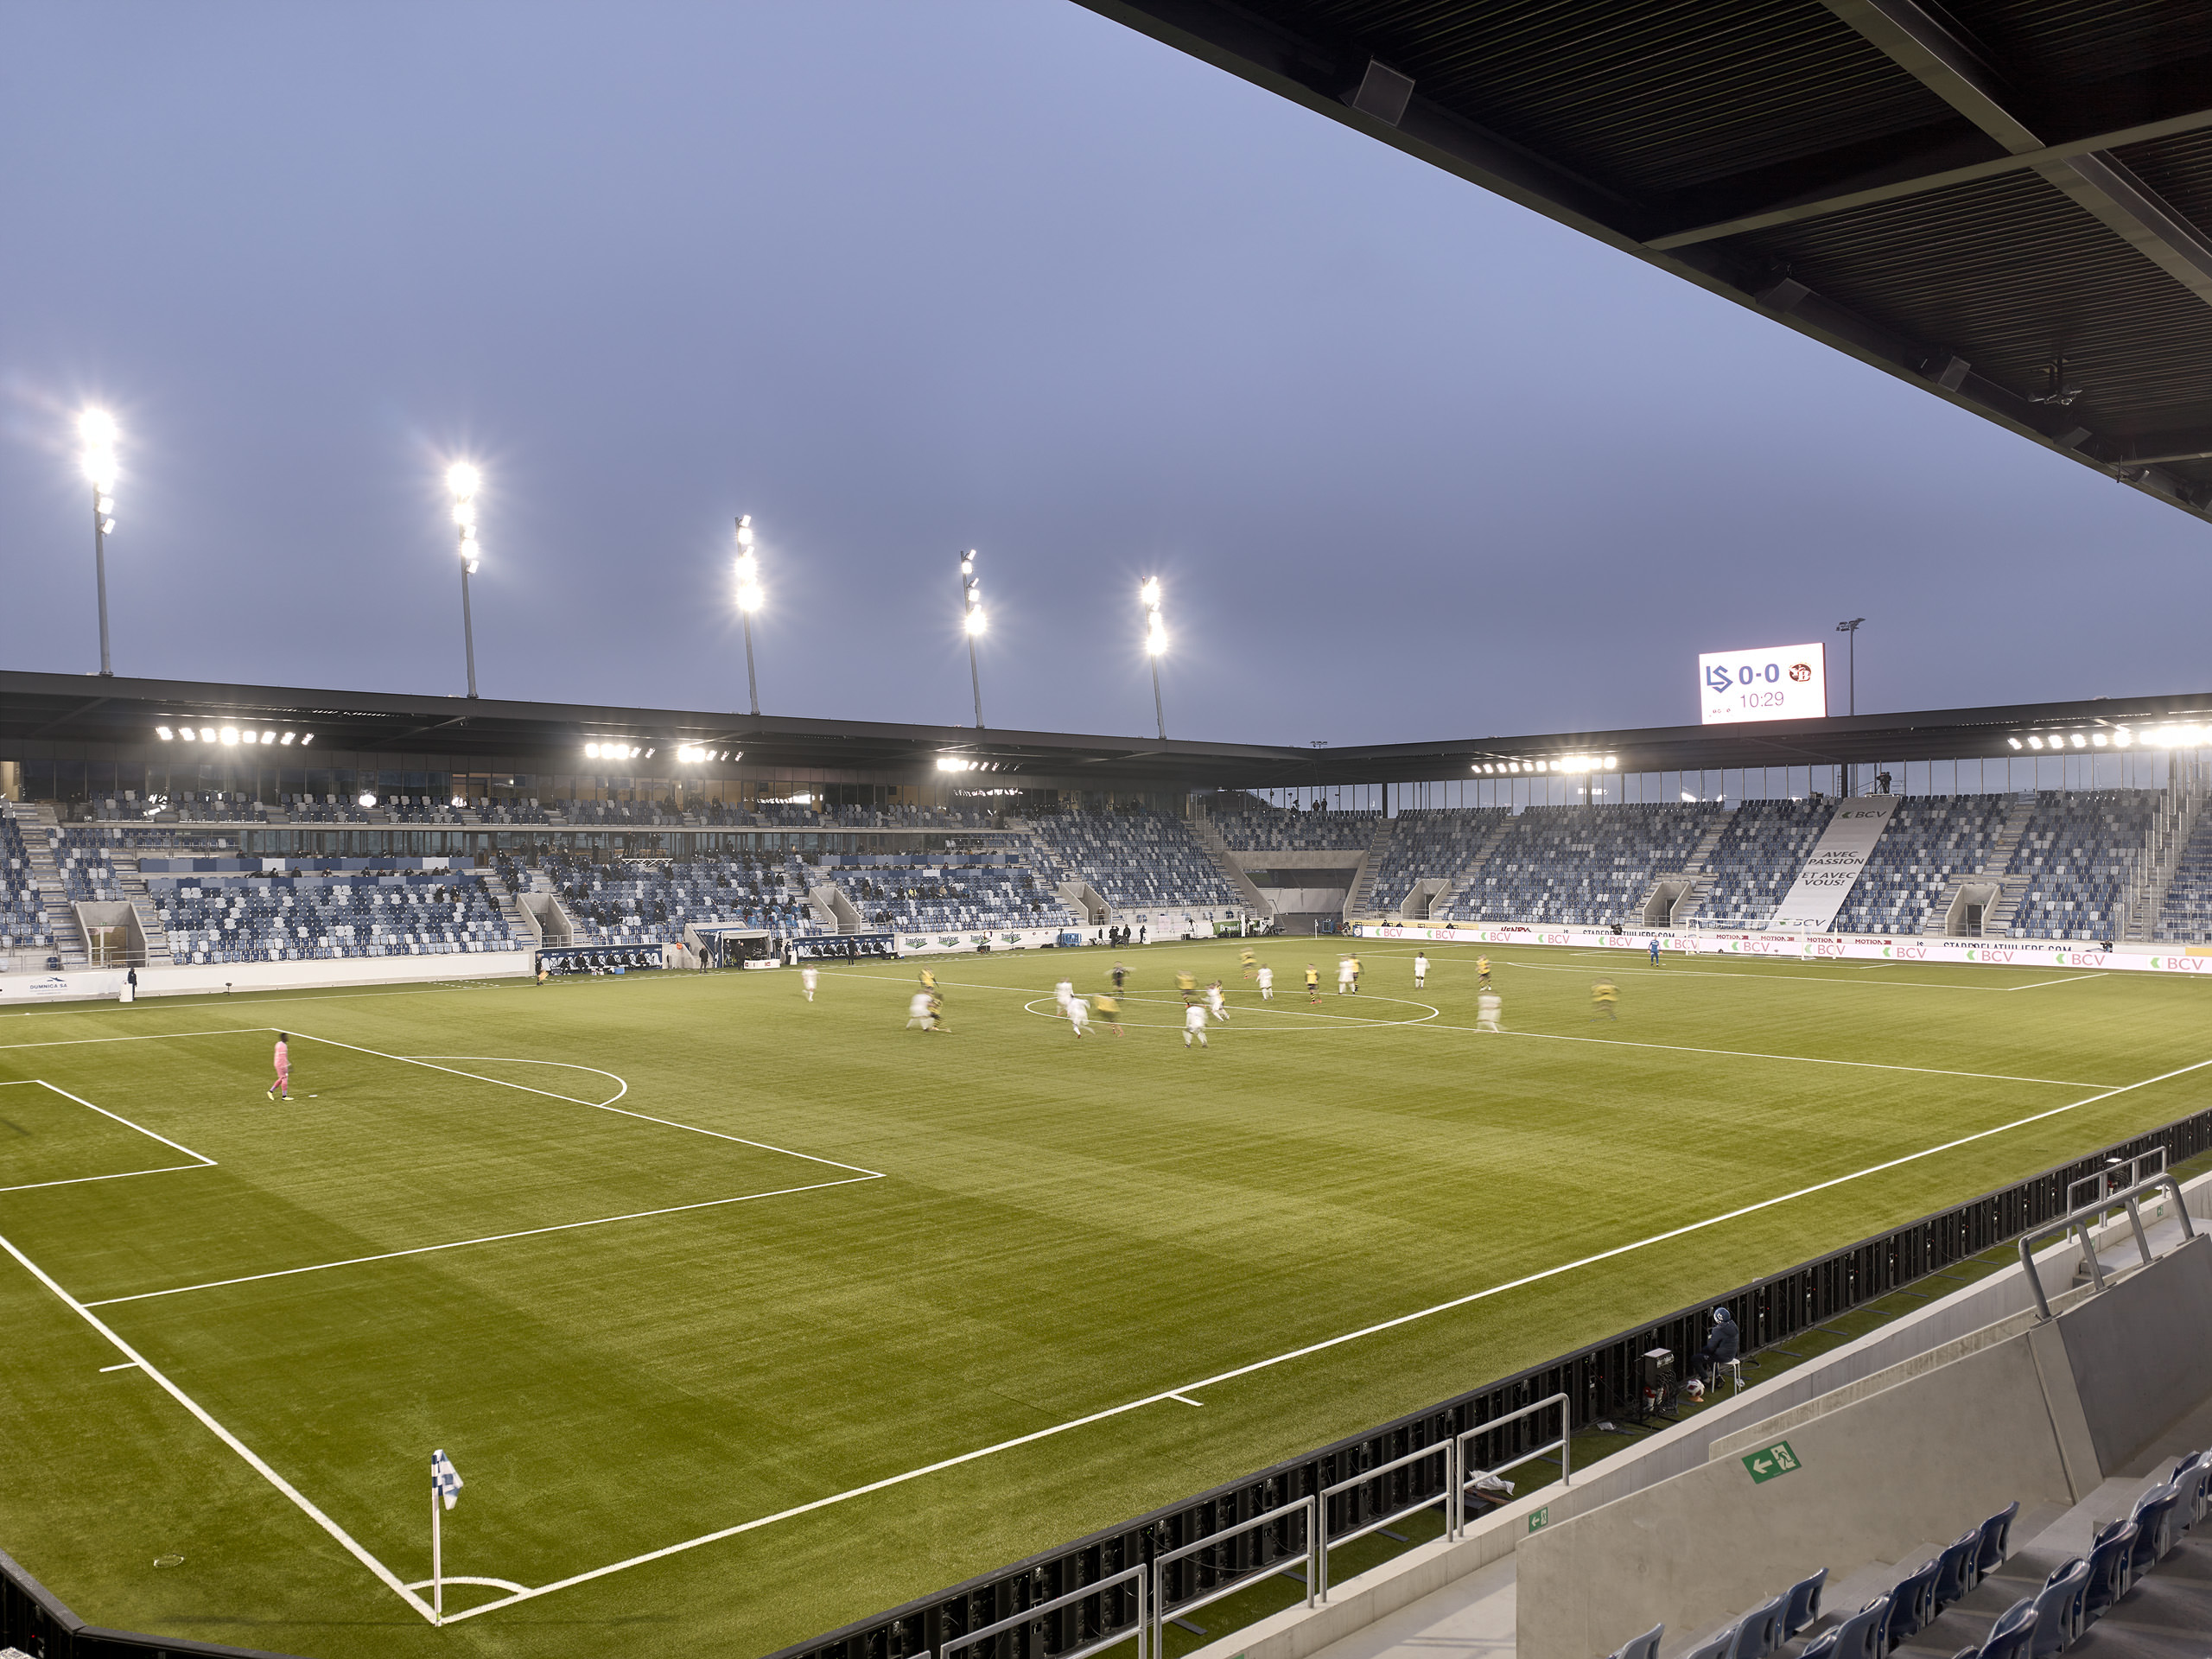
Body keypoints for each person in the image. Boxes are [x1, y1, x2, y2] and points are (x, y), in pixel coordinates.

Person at [1695, 1307, 1738, 1389]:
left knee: (1696, 1359)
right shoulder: (1734, 1326)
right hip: (1731, 1355)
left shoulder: (1718, 1330)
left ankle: (1706, 1380)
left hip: (1723, 1357)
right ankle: (1717, 1376)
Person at [267, 1033, 292, 1101]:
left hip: (277, 1063)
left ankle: (270, 1092)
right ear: (283, 1038)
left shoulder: (278, 1044)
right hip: (281, 1064)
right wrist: (285, 1066)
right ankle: (284, 1096)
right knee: (284, 1078)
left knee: (282, 1078)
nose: (287, 1038)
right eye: (286, 1037)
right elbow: (282, 1057)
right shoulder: (283, 1046)